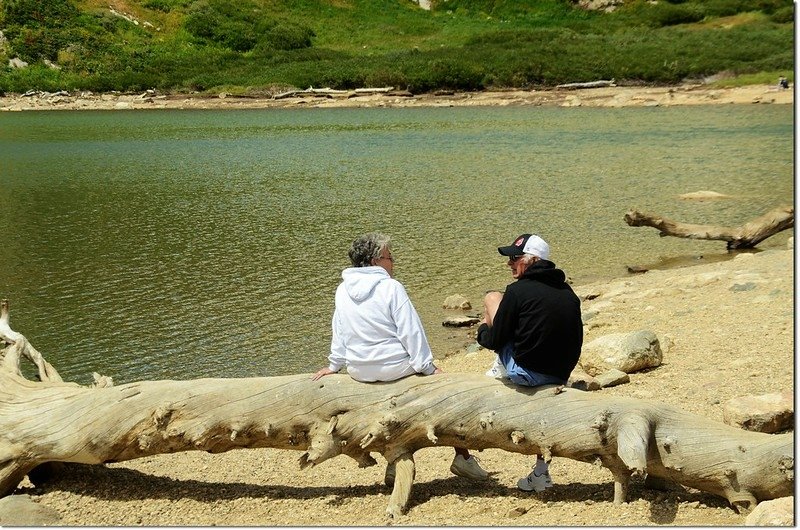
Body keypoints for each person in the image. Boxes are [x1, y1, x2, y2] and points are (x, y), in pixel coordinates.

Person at [312, 232, 488, 480]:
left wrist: (334, 365)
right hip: (393, 367)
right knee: (446, 391)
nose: (393, 262)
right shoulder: (391, 288)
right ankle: (463, 458)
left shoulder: (342, 290)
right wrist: (428, 367)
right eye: (389, 257)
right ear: (375, 261)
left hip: (359, 370)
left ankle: (396, 461)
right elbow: (410, 331)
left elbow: (339, 329)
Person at [476, 233, 583, 492]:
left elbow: (495, 339)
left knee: (492, 297)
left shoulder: (517, 291)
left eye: (515, 258)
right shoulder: (568, 291)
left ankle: (501, 369)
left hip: (527, 373)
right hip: (559, 375)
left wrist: (481, 330)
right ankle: (540, 474)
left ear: (532, 259)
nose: (509, 263)